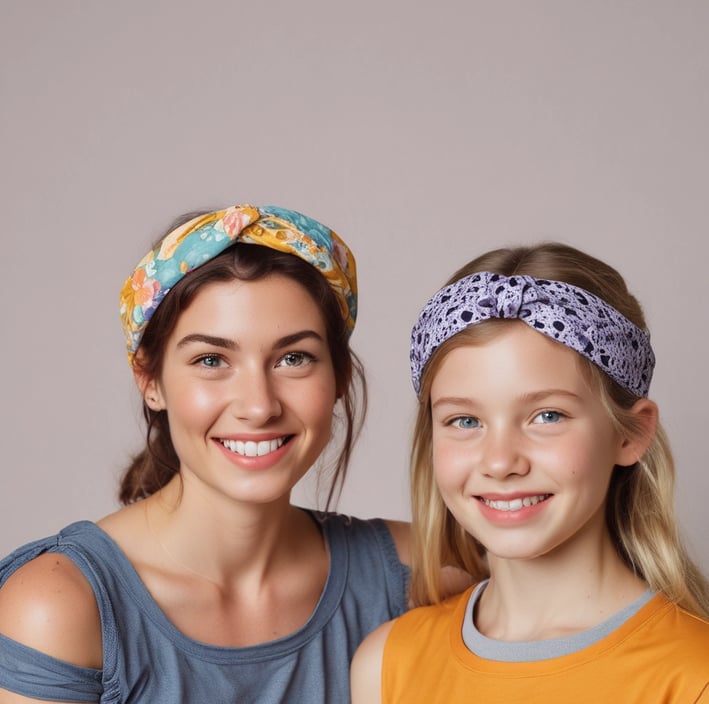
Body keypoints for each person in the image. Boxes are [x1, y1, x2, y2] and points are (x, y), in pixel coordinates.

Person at [0, 204, 413, 703]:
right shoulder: (61, 605)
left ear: (339, 378)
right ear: (150, 381)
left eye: (293, 358)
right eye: (212, 360)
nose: (259, 406)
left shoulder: (416, 571)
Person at [351, 242, 709, 703]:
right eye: (465, 421)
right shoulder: (385, 666)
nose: (500, 462)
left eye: (547, 416)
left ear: (630, 434)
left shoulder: (692, 676)